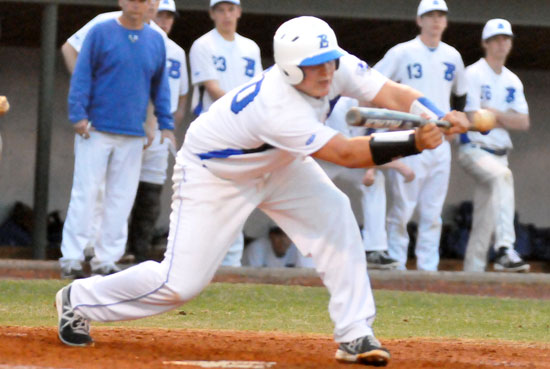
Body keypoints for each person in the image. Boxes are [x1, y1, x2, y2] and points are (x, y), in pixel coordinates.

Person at [55, 16, 468, 366]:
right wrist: (414, 142)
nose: (326, 72)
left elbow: (391, 93)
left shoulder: (335, 66)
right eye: (314, 65)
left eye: (329, 61)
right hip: (216, 173)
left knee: (337, 215)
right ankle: (78, 299)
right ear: (289, 69)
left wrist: (436, 115)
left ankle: (354, 332)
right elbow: (345, 152)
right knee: (180, 284)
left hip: (281, 162)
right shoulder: (276, 104)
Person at [59, 0, 173, 279]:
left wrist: (163, 124)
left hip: (133, 132)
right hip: (96, 128)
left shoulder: (156, 40)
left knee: (121, 197)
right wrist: (78, 114)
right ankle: (72, 257)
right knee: (86, 193)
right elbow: (82, 75)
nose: (138, 4)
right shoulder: (101, 31)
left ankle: (106, 259)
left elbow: (160, 86)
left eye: (145, 0)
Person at [374, 0, 468, 271]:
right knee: (403, 209)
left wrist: (453, 123)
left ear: (446, 21)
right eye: (430, 15)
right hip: (409, 137)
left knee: (433, 211)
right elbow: (375, 84)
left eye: (441, 15)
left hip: (439, 141)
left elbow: (461, 95)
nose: (436, 20)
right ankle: (397, 264)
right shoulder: (402, 52)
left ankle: (428, 268)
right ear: (419, 20)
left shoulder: (453, 55)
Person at [189, 0, 263, 266]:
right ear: (212, 14)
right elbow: (212, 89)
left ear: (239, 11)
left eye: (231, 9)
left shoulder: (250, 47)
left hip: (243, 132)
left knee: (238, 196)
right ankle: (204, 259)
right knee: (209, 196)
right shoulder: (203, 44)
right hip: (213, 129)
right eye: (220, 9)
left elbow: (257, 89)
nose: (226, 15)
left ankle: (232, 261)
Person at [458, 19, 530, 273]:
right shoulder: (473, 73)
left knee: (484, 222)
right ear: (485, 43)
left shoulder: (512, 80)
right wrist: (499, 119)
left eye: (506, 39)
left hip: (500, 153)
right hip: (474, 149)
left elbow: (523, 122)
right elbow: (472, 120)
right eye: (496, 39)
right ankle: (505, 249)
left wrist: (495, 115)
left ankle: (471, 276)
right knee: (503, 177)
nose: (502, 44)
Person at [127, 0, 189, 263]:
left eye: (169, 16)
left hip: (160, 132)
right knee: (121, 191)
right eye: (160, 14)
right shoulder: (139, 40)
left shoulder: (176, 51)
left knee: (150, 196)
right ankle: (116, 252)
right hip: (132, 128)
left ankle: (139, 254)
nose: (164, 21)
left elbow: (182, 94)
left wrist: (169, 123)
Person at [320, 97, 411, 270]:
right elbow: (345, 151)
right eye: (373, 100)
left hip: (349, 159)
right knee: (313, 199)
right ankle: (306, 257)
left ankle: (374, 250)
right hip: (322, 157)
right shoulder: (342, 106)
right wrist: (398, 166)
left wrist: (371, 169)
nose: (378, 105)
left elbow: (375, 149)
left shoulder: (379, 114)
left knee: (376, 180)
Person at [242, 226, 315, 268]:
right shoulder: (256, 248)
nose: (283, 240)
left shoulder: (299, 248)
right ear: (271, 236)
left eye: (287, 235)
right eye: (279, 235)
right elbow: (252, 281)